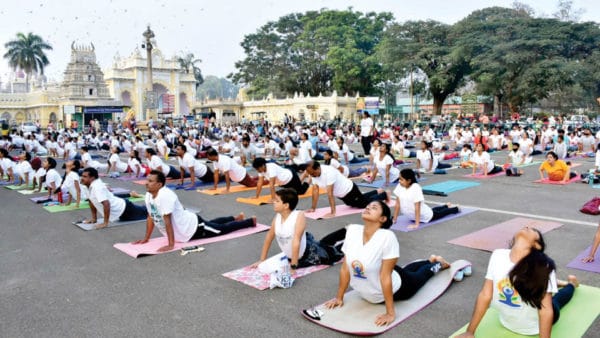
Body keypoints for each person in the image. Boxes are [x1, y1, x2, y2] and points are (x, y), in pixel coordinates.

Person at [324, 200, 452, 326]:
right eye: (368, 206)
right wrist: (339, 297)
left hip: (399, 288)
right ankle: (428, 260)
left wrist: (390, 313)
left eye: (374, 207)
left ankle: (438, 263)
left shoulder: (387, 237)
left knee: (421, 275)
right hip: (378, 271)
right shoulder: (353, 231)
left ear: (383, 218)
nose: (368, 207)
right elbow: (345, 268)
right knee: (404, 270)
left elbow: (385, 276)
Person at [457, 227, 579, 337]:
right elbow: (485, 295)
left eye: (533, 230)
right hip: (506, 321)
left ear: (537, 245)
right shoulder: (498, 255)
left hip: (533, 328)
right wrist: (469, 332)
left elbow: (546, 310)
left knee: (556, 301)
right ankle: (554, 283)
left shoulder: (544, 266)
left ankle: (571, 284)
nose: (526, 227)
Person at [132, 170, 256, 252]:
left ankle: (250, 222)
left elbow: (167, 221)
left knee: (220, 229)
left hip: (192, 228)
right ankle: (234, 218)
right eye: (147, 180)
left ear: (159, 185)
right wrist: (146, 238)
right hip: (187, 227)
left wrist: (171, 245)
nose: (146, 184)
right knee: (212, 224)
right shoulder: (149, 195)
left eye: (150, 181)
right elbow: (151, 216)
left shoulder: (165, 196)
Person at [251, 188, 345, 273]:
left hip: (308, 254)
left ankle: (349, 234)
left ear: (286, 205)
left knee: (334, 254)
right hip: (298, 251)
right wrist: (262, 260)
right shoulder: (278, 216)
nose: (273, 202)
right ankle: (345, 231)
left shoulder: (299, 216)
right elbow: (269, 237)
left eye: (277, 201)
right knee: (322, 244)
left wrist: (293, 266)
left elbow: (296, 241)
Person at [304, 161, 388, 219]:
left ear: (318, 168)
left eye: (313, 173)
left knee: (363, 204)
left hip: (350, 190)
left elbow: (330, 193)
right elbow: (315, 191)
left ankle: (384, 194)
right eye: (310, 174)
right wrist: (313, 208)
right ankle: (377, 191)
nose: (312, 176)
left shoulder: (328, 172)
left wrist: (333, 212)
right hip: (342, 195)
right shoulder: (313, 174)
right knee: (355, 202)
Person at [80, 167, 147, 229]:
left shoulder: (97, 187)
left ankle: (155, 204)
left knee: (148, 212)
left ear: (92, 178)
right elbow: (91, 201)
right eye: (82, 176)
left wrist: (105, 223)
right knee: (144, 210)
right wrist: (94, 219)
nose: (82, 178)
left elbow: (106, 204)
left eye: (85, 177)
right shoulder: (86, 186)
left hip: (125, 209)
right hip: (120, 211)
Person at [392, 169, 460, 230]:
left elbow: (417, 207)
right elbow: (397, 204)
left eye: (401, 179)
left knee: (441, 213)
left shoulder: (416, 188)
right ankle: (446, 205)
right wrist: (394, 219)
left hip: (425, 216)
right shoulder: (400, 186)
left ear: (409, 180)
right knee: (434, 210)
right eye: (399, 179)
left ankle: (456, 208)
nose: (399, 181)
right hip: (412, 217)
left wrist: (416, 224)